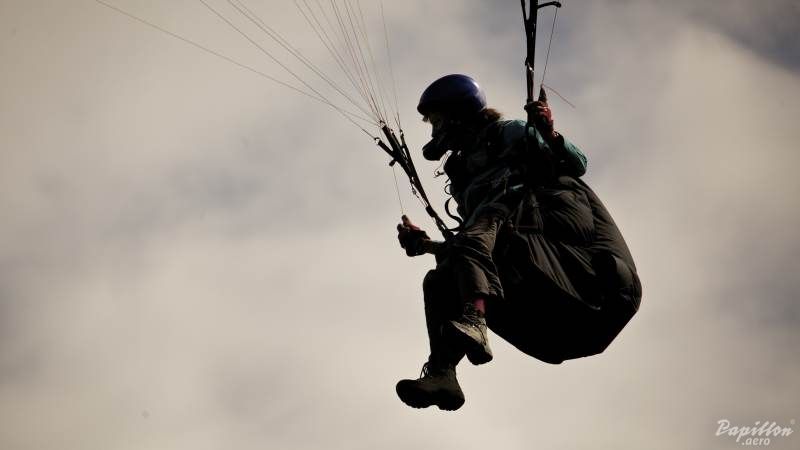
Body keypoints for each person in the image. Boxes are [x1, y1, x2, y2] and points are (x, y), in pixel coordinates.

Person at [395, 74, 642, 411]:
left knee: (475, 234)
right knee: (439, 279)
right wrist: (425, 245)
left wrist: (548, 133)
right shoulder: (464, 172)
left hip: (580, 267)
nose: (435, 132)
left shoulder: (507, 132)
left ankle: (475, 321)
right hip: (545, 315)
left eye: (437, 122)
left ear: (458, 115)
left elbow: (578, 164)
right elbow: (477, 249)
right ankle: (443, 374)